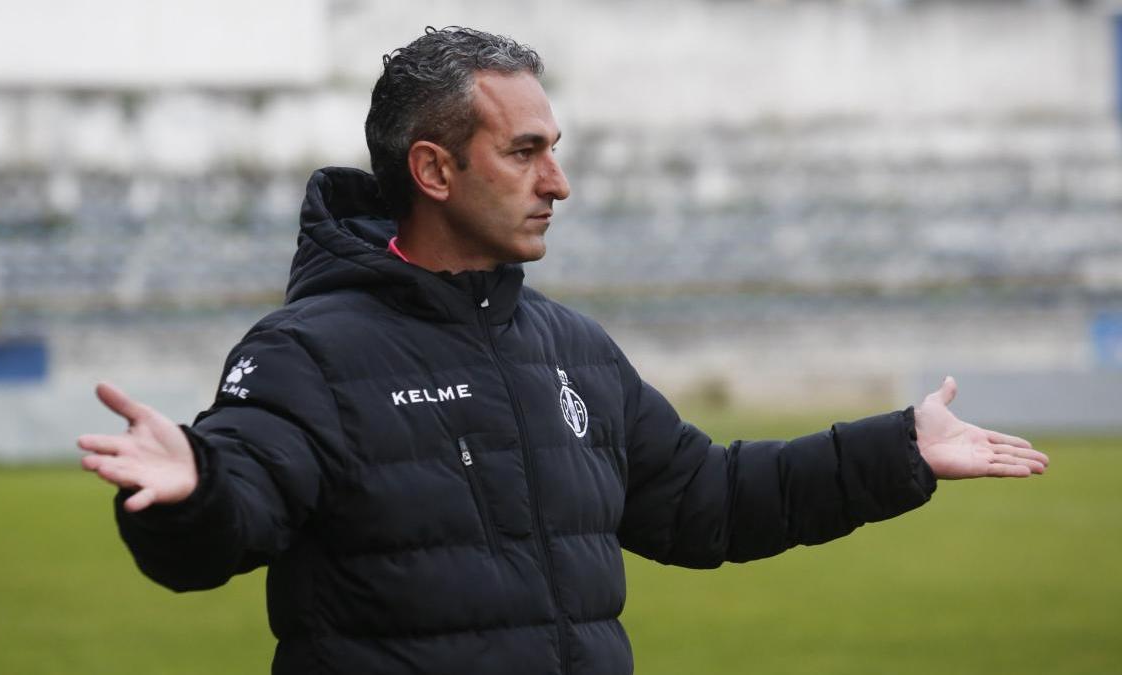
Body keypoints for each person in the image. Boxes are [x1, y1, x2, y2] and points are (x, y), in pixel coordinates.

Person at [78, 26, 1049, 675]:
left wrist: (895, 452)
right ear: (435, 168)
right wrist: (194, 493)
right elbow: (232, 514)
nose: (560, 181)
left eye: (556, 148)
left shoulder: (571, 348)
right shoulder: (308, 352)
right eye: (526, 151)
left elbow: (704, 504)